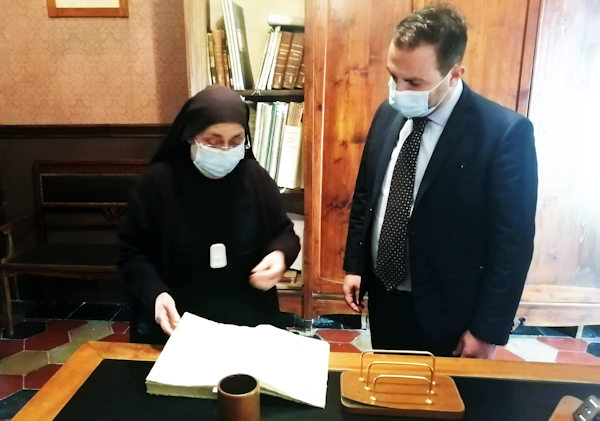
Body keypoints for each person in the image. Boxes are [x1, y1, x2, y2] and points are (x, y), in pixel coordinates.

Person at [342, 5, 538, 358]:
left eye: (414, 82)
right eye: (394, 76)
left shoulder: (503, 134)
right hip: (385, 297)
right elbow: (367, 195)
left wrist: (487, 331)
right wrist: (355, 266)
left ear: (454, 74)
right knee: (391, 385)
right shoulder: (387, 113)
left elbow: (513, 245)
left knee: (450, 394)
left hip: (451, 314)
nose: (399, 90)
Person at [119, 86, 300, 344]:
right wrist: (156, 294)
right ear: (191, 135)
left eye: (236, 141)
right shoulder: (156, 183)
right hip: (176, 320)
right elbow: (131, 253)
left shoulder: (254, 178)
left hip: (245, 320)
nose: (225, 149)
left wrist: (278, 255)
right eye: (213, 140)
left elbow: (284, 233)